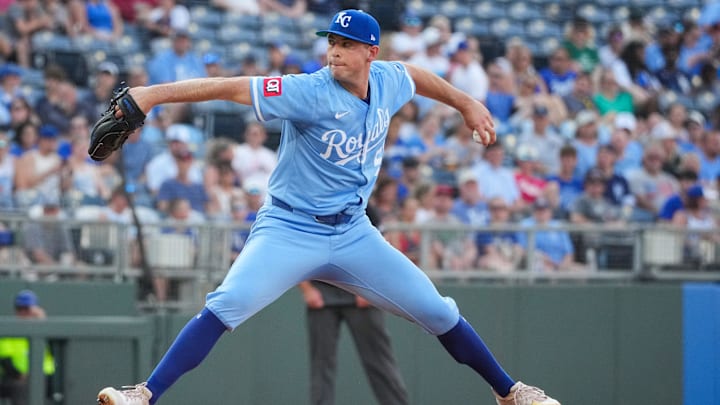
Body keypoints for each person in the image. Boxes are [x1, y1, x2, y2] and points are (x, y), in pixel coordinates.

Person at [96, 10, 560, 405]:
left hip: (354, 232)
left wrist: (465, 101)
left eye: (347, 44)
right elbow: (232, 87)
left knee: (437, 311)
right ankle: (144, 394)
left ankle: (509, 392)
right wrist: (151, 94)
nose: (335, 51)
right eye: (332, 42)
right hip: (289, 228)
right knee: (228, 302)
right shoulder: (308, 90)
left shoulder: (387, 80)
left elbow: (414, 75)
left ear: (370, 53)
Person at [299, 205, 409, 405]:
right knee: (321, 365)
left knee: (380, 362)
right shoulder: (314, 207)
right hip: (322, 297)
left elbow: (385, 250)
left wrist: (372, 288)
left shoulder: (368, 209)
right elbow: (297, 249)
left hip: (361, 293)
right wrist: (306, 289)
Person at [0, 290, 56, 405]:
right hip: (15, 378)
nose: (24, 313)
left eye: (27, 309)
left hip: (44, 378)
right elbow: (5, 360)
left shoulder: (45, 329)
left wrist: (43, 322)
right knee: (21, 387)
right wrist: (20, 375)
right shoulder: (10, 331)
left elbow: (56, 350)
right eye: (20, 309)